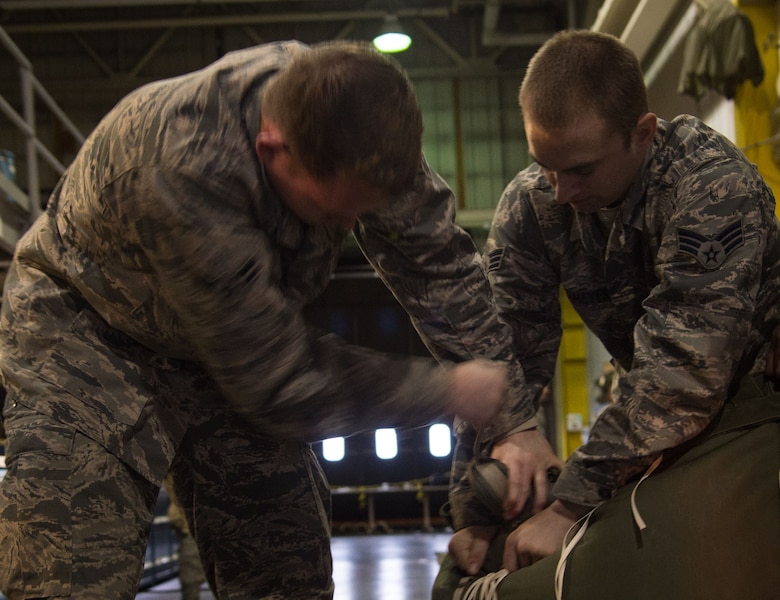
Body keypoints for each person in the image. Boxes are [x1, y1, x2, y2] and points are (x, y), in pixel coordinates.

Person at [0, 40, 546, 600]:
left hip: (226, 346)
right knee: (66, 578)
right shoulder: (184, 165)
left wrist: (513, 420)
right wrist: (447, 389)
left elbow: (436, 262)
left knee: (285, 575)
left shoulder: (357, 124)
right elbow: (283, 383)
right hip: (89, 340)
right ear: (272, 148)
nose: (347, 226)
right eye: (333, 214)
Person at [434, 29, 780, 599]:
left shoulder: (710, 184)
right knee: (473, 570)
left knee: (641, 569)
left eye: (582, 170)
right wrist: (475, 502)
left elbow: (684, 371)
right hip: (657, 419)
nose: (561, 190)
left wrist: (571, 502)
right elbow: (502, 359)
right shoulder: (533, 201)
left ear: (642, 134)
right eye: (545, 165)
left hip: (751, 402)